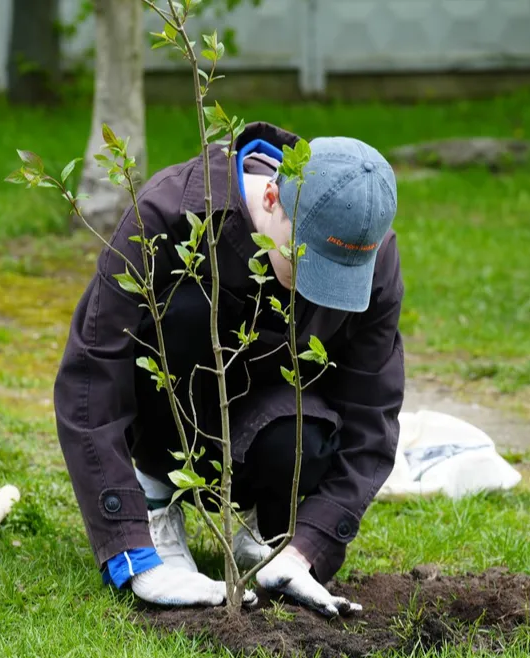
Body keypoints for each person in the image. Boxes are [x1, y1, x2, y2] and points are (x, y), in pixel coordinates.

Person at [53, 121, 405, 617]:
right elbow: (90, 375)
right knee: (186, 306)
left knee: (307, 433)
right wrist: (130, 549)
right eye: (307, 264)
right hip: (166, 414)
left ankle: (268, 533)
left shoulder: (369, 251)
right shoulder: (167, 216)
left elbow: (372, 413)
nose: (316, 291)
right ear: (270, 200)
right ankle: (154, 495)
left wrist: (309, 546)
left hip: (265, 422)